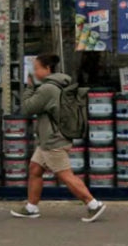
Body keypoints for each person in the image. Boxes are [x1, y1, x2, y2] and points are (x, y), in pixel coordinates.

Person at [10, 53, 106, 222]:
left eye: (37, 68)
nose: (34, 72)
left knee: (65, 175)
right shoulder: (62, 83)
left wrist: (29, 87)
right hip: (54, 137)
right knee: (35, 169)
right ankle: (31, 207)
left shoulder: (47, 89)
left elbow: (27, 108)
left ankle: (93, 204)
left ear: (47, 69)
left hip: (53, 139)